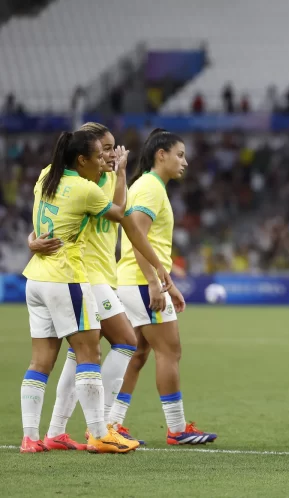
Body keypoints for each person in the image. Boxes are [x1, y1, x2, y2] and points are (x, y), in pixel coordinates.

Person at [28, 123, 171, 449]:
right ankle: (101, 424)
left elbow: (115, 210)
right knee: (124, 340)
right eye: (104, 148)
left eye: (113, 147)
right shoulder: (84, 182)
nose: (111, 153)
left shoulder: (102, 177)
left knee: (79, 355)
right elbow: (119, 218)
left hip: (101, 274)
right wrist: (155, 274)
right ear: (85, 155)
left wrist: (119, 174)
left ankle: (56, 431)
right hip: (86, 275)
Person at [112, 129, 217, 445]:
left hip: (136, 281)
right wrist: (156, 285)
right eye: (180, 154)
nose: (185, 161)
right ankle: (177, 429)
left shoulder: (149, 186)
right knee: (169, 350)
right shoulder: (150, 188)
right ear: (162, 155)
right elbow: (137, 238)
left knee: (139, 352)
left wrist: (167, 284)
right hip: (142, 282)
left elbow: (144, 239)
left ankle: (112, 423)